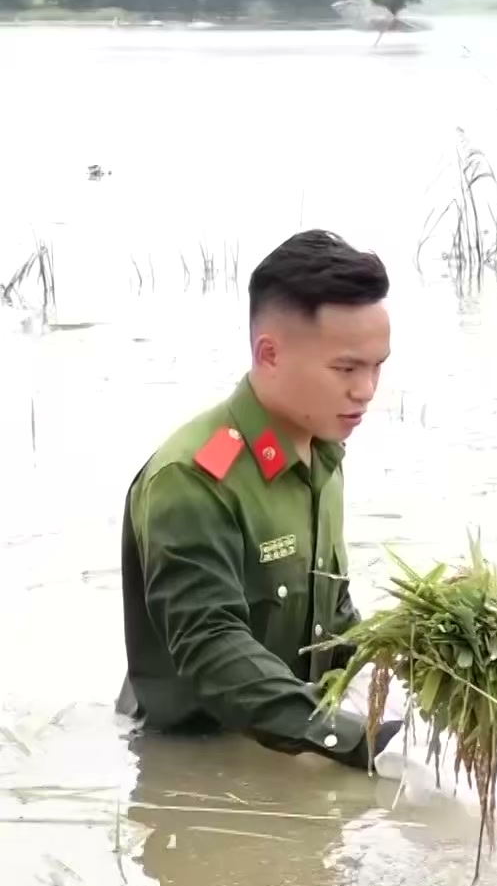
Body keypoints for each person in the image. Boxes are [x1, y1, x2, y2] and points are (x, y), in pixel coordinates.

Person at [116, 229, 402, 770]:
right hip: (196, 775)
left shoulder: (322, 458)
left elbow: (331, 623)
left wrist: (421, 670)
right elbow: (214, 649)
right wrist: (351, 738)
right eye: (346, 368)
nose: (366, 389)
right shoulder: (193, 479)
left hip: (297, 748)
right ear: (269, 353)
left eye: (377, 366)